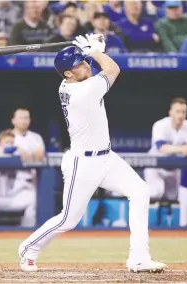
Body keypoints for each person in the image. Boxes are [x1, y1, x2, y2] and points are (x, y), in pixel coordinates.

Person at [18, 33, 167, 273]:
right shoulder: (82, 92)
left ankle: (139, 257)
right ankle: (28, 249)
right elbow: (113, 70)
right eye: (79, 63)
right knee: (68, 219)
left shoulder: (74, 82)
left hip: (107, 157)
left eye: (83, 60)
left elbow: (97, 68)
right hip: (83, 163)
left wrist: (94, 50)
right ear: (68, 73)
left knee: (140, 192)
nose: (85, 64)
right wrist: (96, 50)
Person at [144, 98, 187, 216]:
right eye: (178, 111)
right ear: (171, 113)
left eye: (184, 112)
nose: (181, 115)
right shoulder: (160, 125)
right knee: (156, 192)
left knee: (174, 196)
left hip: (174, 169)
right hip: (156, 168)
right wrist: (183, 149)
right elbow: (161, 148)